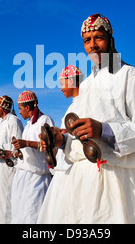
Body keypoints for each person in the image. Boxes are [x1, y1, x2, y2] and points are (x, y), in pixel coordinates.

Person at [40, 14, 135, 223]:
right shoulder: (87, 84)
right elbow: (79, 135)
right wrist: (61, 141)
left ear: (110, 39)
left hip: (113, 176)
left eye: (98, 38)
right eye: (87, 41)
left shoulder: (128, 75)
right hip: (80, 176)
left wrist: (104, 131)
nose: (93, 45)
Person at [37, 65, 83, 223]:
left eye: (62, 83)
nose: (61, 88)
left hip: (76, 169)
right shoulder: (71, 106)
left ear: (71, 81)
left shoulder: (84, 103)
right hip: (64, 169)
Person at [10, 90, 54, 223]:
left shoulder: (44, 120)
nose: (19, 112)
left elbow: (50, 145)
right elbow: (27, 150)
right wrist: (16, 151)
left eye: (20, 108)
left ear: (28, 107)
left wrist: (26, 143)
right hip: (23, 174)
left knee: (33, 213)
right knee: (20, 212)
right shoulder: (29, 124)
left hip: (37, 176)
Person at [0, 95, 23, 224]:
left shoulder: (13, 121)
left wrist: (10, 153)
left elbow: (18, 145)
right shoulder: (2, 122)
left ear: (3, 108)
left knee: (6, 199)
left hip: (8, 167)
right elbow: (0, 143)